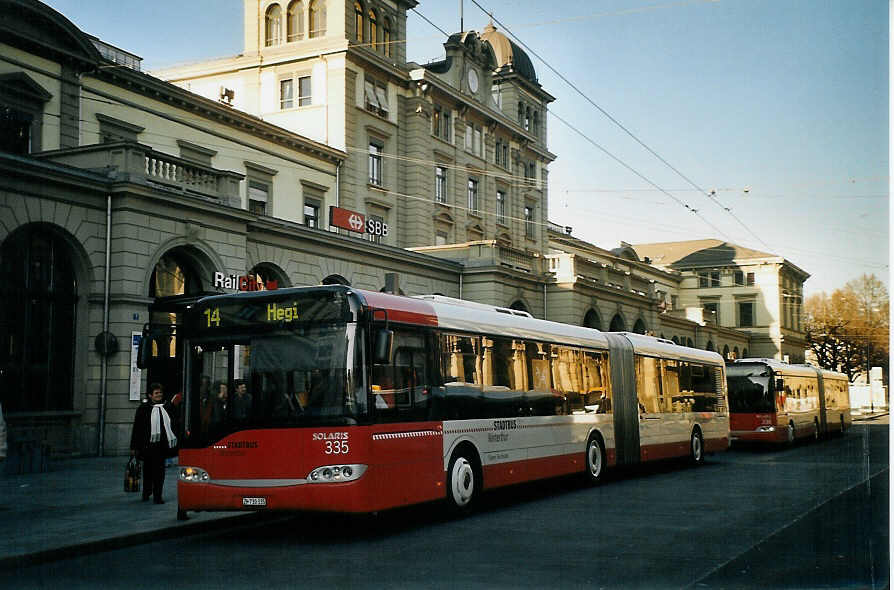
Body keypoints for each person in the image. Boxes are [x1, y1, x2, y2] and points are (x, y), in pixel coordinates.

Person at [130, 383, 179, 504]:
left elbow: (175, 424)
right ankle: (146, 492)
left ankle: (158, 495)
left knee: (160, 472)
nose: (159, 395)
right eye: (156, 393)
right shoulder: (143, 408)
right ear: (150, 395)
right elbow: (137, 428)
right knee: (147, 471)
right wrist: (134, 447)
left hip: (161, 446)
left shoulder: (168, 407)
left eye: (160, 393)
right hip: (147, 446)